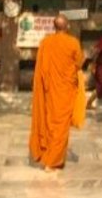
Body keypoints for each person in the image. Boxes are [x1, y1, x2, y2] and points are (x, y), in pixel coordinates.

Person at [29, 15, 84, 171]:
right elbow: (78, 63)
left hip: (49, 90)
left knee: (50, 123)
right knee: (60, 126)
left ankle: (51, 156)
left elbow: (41, 69)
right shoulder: (73, 43)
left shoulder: (46, 43)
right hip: (65, 90)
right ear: (67, 27)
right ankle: (51, 162)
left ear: (54, 27)